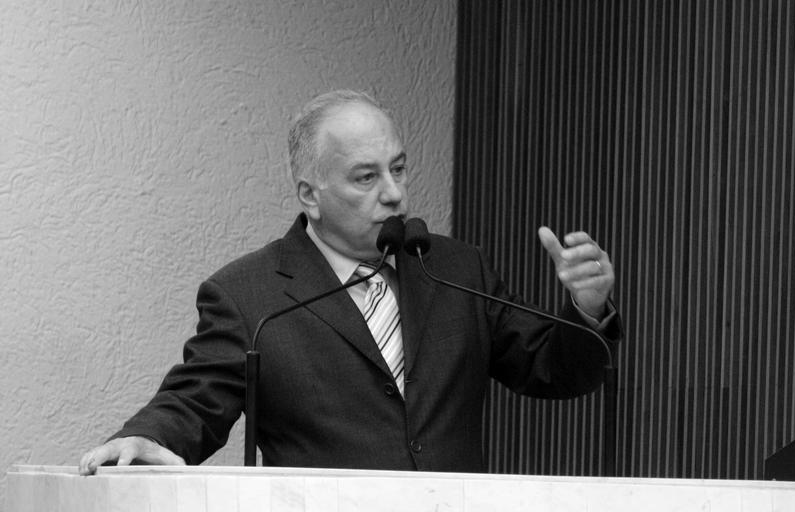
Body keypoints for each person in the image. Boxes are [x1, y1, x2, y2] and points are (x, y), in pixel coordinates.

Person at [79, 89, 622, 475]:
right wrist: (146, 436)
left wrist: (588, 306)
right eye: (367, 177)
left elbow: (556, 369)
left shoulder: (456, 269)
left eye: (398, 169)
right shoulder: (250, 296)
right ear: (310, 195)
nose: (394, 194)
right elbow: (195, 401)